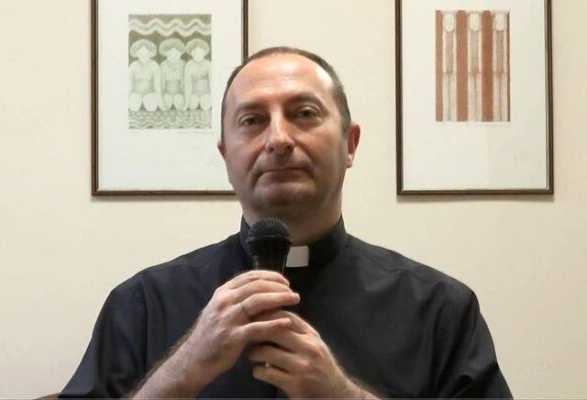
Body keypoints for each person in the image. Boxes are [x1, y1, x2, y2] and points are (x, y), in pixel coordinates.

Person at [60, 47, 512, 398]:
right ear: (225, 155)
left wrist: (342, 396)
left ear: (350, 144)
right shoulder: (142, 305)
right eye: (252, 120)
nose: (278, 138)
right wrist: (183, 369)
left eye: (303, 114)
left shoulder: (440, 310)